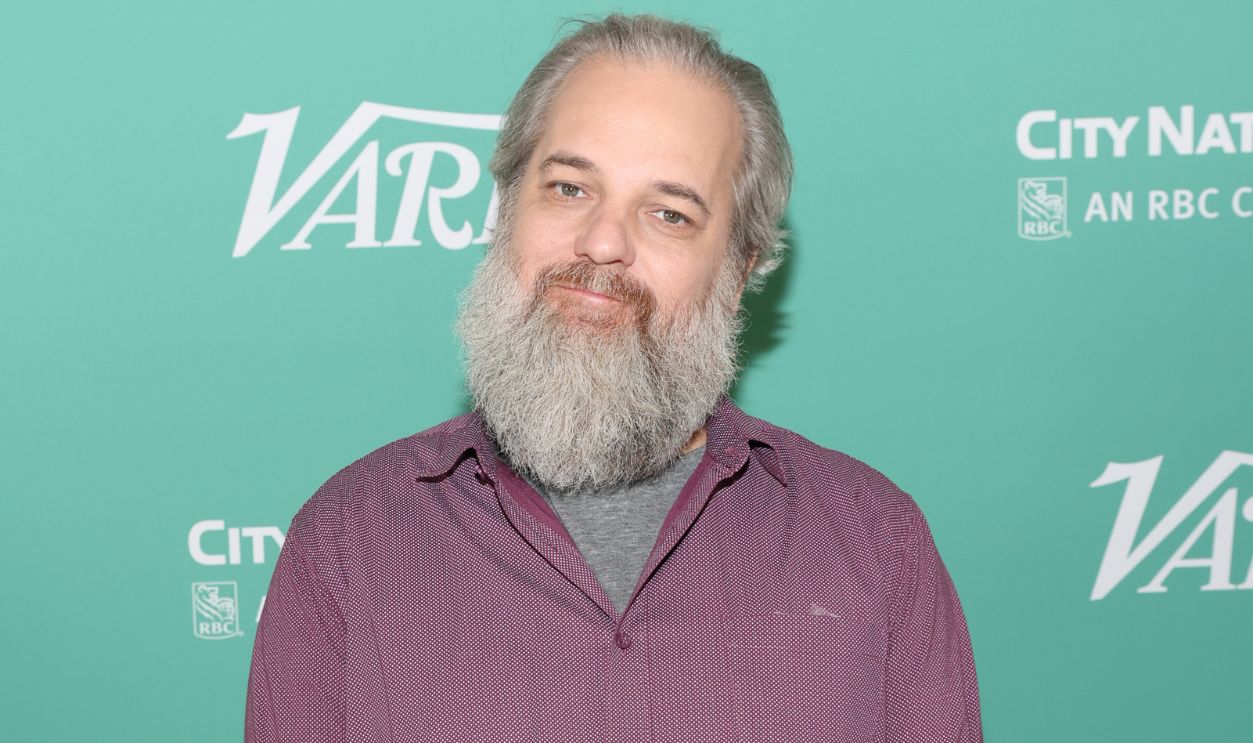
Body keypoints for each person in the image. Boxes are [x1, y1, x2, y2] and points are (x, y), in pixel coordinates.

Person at [245, 13, 982, 742]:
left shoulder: (875, 546)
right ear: (506, 210)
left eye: (669, 214)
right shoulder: (348, 541)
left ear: (737, 272)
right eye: (569, 188)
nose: (602, 242)